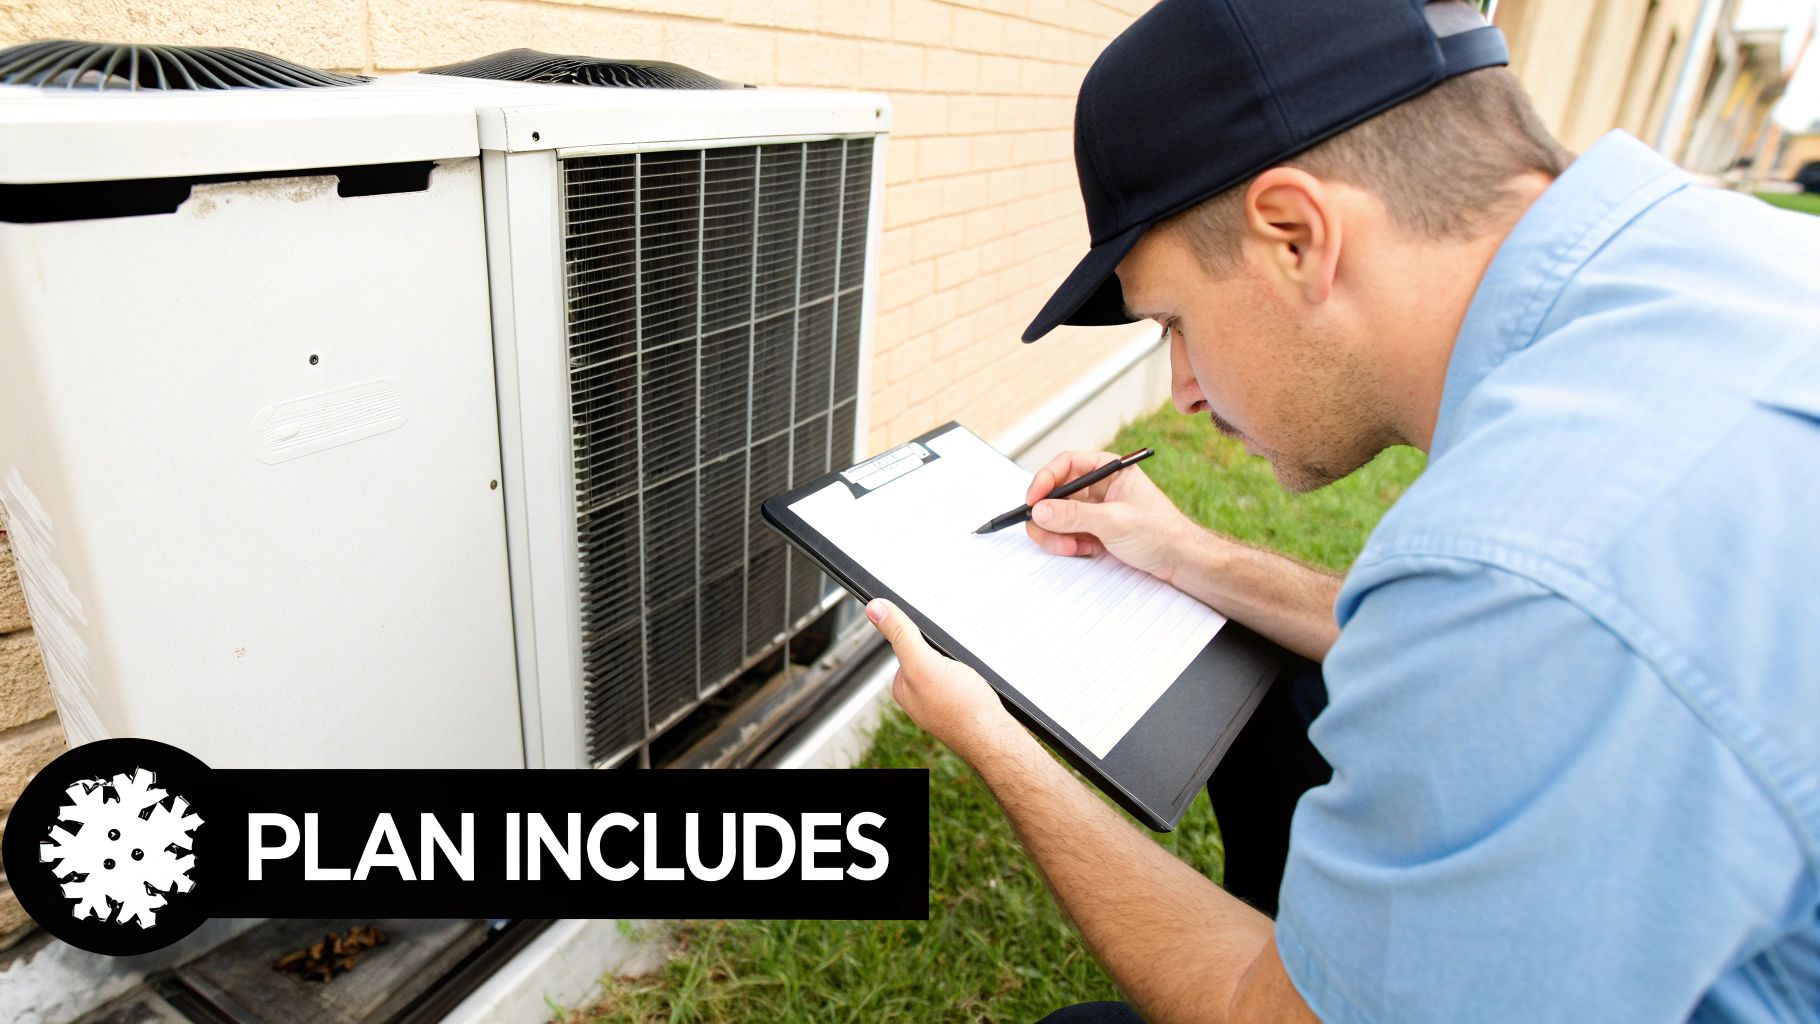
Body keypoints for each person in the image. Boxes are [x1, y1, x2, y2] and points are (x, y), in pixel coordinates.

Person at [863, 0, 1820, 1020]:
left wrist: (993, 741)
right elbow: (1446, 641)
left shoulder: (1530, 566)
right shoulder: (1711, 261)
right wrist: (1183, 552)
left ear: (1292, 236)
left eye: (1174, 321)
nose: (1182, 388)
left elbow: (1262, 1013)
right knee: (1294, 704)